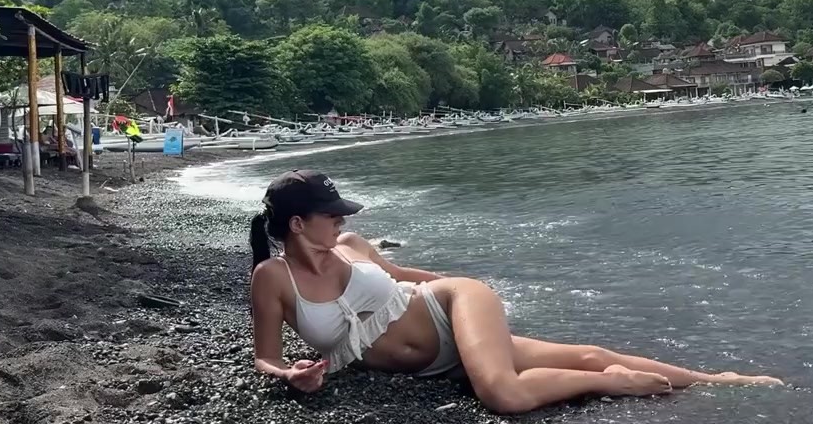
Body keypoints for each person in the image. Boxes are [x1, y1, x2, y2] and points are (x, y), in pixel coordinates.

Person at [248, 170, 784, 414]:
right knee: (586, 356)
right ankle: (613, 375)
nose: (342, 221)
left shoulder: (353, 246)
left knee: (503, 395)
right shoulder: (273, 278)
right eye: (332, 214)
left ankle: (711, 380)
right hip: (438, 364)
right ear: (298, 224)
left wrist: (479, 298)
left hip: (450, 308)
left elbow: (410, 277)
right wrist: (291, 375)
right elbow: (265, 357)